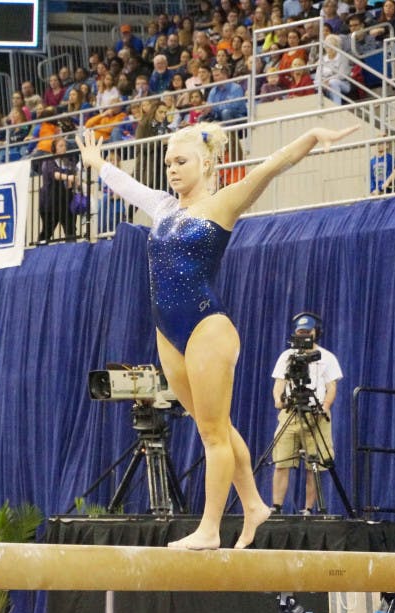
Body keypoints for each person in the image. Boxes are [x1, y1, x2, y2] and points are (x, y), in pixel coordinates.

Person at [75, 121, 358, 549]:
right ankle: (254, 504)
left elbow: (269, 168)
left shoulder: (222, 204)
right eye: (168, 162)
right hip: (167, 333)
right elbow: (126, 186)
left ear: (206, 163)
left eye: (181, 161)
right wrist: (97, 164)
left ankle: (209, 528)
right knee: (217, 426)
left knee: (211, 434)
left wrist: (314, 136)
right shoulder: (163, 207)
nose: (171, 169)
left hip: (208, 327)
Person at [269, 313, 343, 515]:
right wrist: (278, 399)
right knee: (281, 461)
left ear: (316, 333)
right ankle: (276, 507)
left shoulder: (327, 358)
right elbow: (279, 383)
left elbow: (332, 387)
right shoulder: (287, 356)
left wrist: (326, 406)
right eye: (300, 333)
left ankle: (309, 508)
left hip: (316, 415)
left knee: (315, 466)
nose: (303, 336)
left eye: (307, 332)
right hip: (290, 412)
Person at [38, 137, 79, 244]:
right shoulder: (48, 161)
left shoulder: (69, 162)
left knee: (71, 229)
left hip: (65, 201)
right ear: (54, 148)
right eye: (60, 146)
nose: (64, 148)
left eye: (65, 145)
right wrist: (68, 177)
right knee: (48, 230)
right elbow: (54, 174)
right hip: (50, 203)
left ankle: (71, 250)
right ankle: (40, 250)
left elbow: (74, 176)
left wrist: (74, 180)